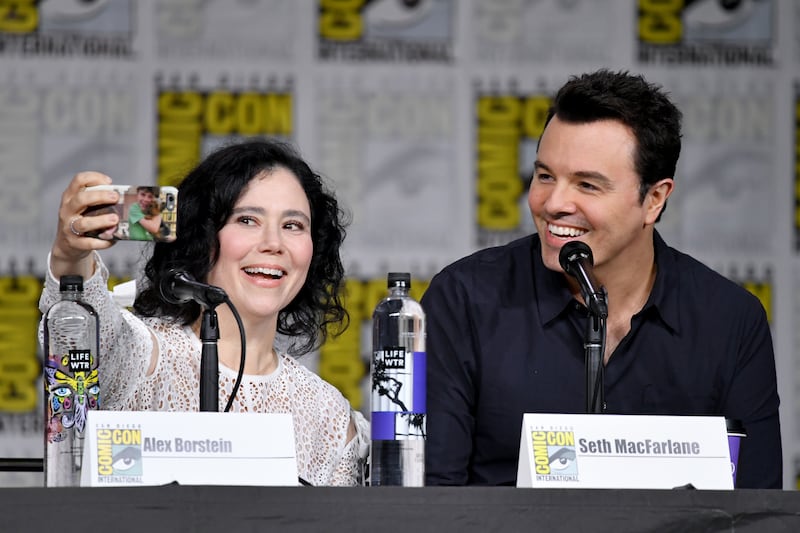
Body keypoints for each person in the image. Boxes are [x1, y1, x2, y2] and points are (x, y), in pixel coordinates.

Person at [422, 69, 782, 489]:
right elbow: (429, 501)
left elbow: (756, 508)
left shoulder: (730, 321)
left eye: (587, 185)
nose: (553, 203)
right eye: (544, 176)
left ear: (654, 199)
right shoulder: (463, 301)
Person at [40, 139, 369, 486]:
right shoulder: (142, 357)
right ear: (202, 237)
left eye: (293, 225)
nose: (274, 243)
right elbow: (80, 337)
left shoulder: (328, 415)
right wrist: (69, 256)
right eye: (247, 220)